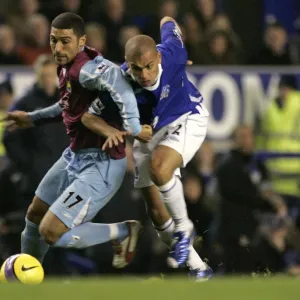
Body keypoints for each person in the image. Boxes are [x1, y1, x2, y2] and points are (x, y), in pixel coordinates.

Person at [1, 12, 152, 269]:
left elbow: (121, 84)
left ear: (81, 41)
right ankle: (26, 280)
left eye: (65, 41)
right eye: (53, 40)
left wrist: (135, 128)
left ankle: (123, 232)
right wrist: (33, 118)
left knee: (51, 232)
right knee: (34, 216)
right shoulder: (67, 66)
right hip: (74, 155)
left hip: (101, 165)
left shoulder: (87, 69)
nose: (57, 48)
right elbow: (68, 106)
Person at [84, 16, 213, 280]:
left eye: (149, 66)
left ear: (158, 57)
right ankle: (199, 269)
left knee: (159, 168)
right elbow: (88, 117)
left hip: (186, 116)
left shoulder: (174, 52)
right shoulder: (118, 83)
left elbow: (168, 20)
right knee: (155, 210)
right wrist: (122, 131)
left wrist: (168, 25)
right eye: (136, 68)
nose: (144, 74)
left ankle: (184, 227)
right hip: (148, 134)